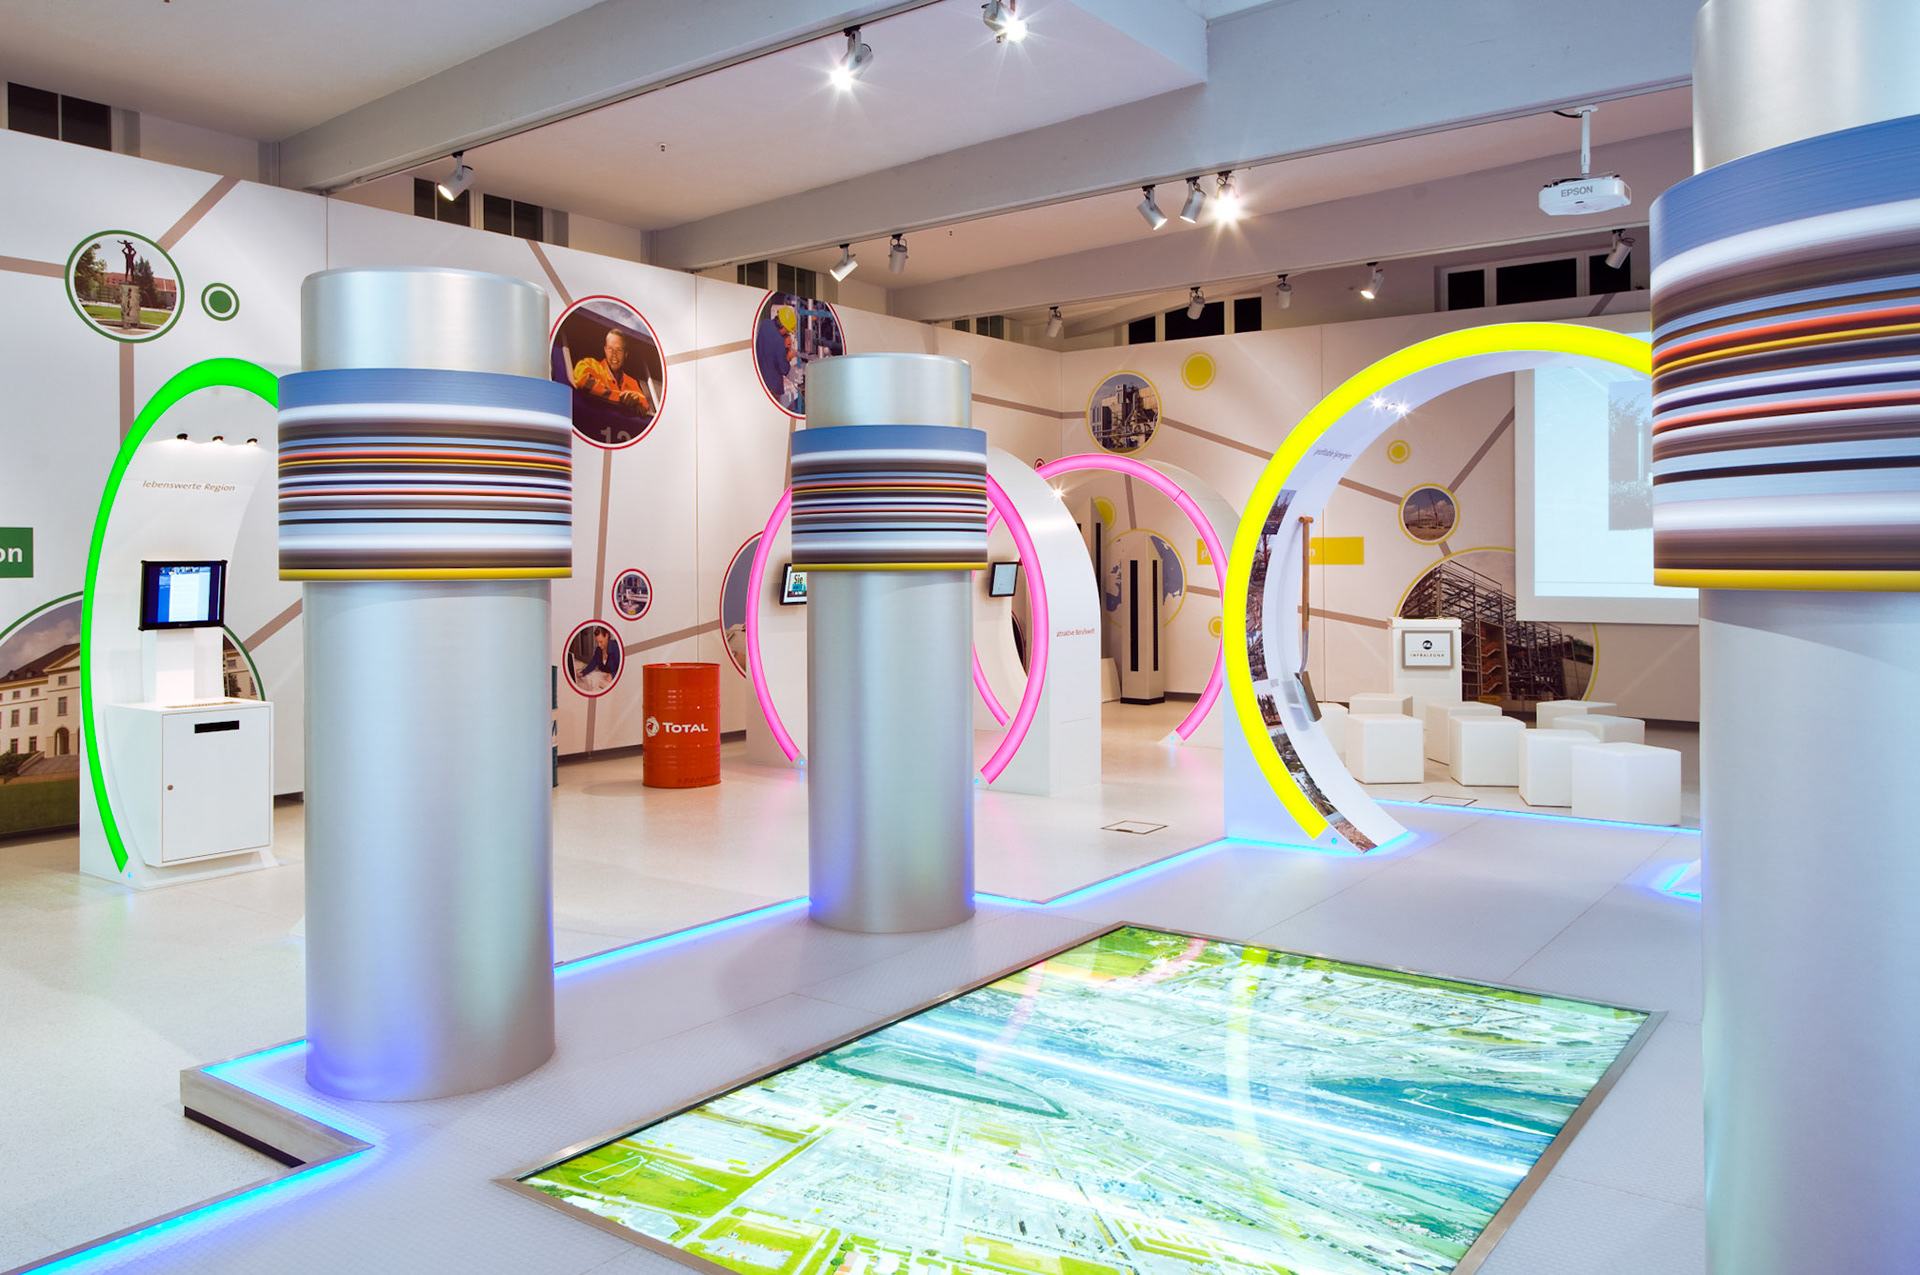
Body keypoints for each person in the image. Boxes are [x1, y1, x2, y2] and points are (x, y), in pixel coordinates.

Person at [572, 330, 653, 417]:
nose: (614, 355)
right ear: (605, 350)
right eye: (610, 349)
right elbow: (583, 382)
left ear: (625, 354)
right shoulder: (589, 364)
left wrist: (638, 401)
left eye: (619, 350)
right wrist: (621, 398)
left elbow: (644, 404)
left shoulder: (632, 382)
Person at [755, 303, 799, 408]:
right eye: (787, 331)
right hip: (772, 387)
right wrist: (788, 357)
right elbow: (784, 369)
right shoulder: (779, 341)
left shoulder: (765, 324)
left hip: (760, 379)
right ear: (784, 327)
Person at [574, 626, 620, 692]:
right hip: (603, 677)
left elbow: (623, 668)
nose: (599, 645)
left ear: (607, 636)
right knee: (586, 681)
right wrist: (583, 672)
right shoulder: (598, 650)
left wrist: (613, 675)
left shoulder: (616, 648)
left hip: (613, 680)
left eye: (601, 642)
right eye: (597, 642)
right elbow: (593, 662)